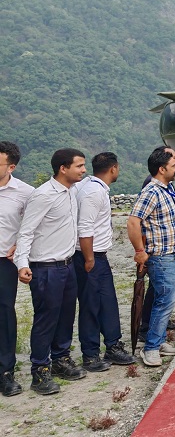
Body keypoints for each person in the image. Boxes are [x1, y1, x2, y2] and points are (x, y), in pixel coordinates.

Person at [15, 148, 87, 394]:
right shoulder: (43, 195)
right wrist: (22, 264)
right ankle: (39, 370)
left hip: (67, 265)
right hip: (45, 268)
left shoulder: (72, 190)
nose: (83, 170)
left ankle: (60, 359)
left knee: (66, 316)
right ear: (63, 168)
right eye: (79, 166)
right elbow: (26, 231)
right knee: (46, 319)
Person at [73, 152, 135, 373]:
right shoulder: (93, 192)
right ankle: (90, 354)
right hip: (90, 256)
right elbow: (85, 227)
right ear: (113, 168)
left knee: (107, 302)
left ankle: (112, 345)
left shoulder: (92, 187)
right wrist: (89, 258)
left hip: (98, 256)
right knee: (91, 304)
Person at [128, 148, 175, 367]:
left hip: (172, 254)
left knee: (162, 300)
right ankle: (151, 347)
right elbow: (133, 222)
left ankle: (159, 340)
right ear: (162, 169)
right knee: (165, 302)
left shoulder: (167, 188)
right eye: (173, 165)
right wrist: (139, 251)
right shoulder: (152, 191)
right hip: (162, 257)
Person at [0, 141, 33, 396]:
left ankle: (5, 372)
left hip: (3, 262)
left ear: (11, 166)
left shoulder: (25, 193)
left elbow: (34, 226)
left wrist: (19, 245)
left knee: (4, 314)